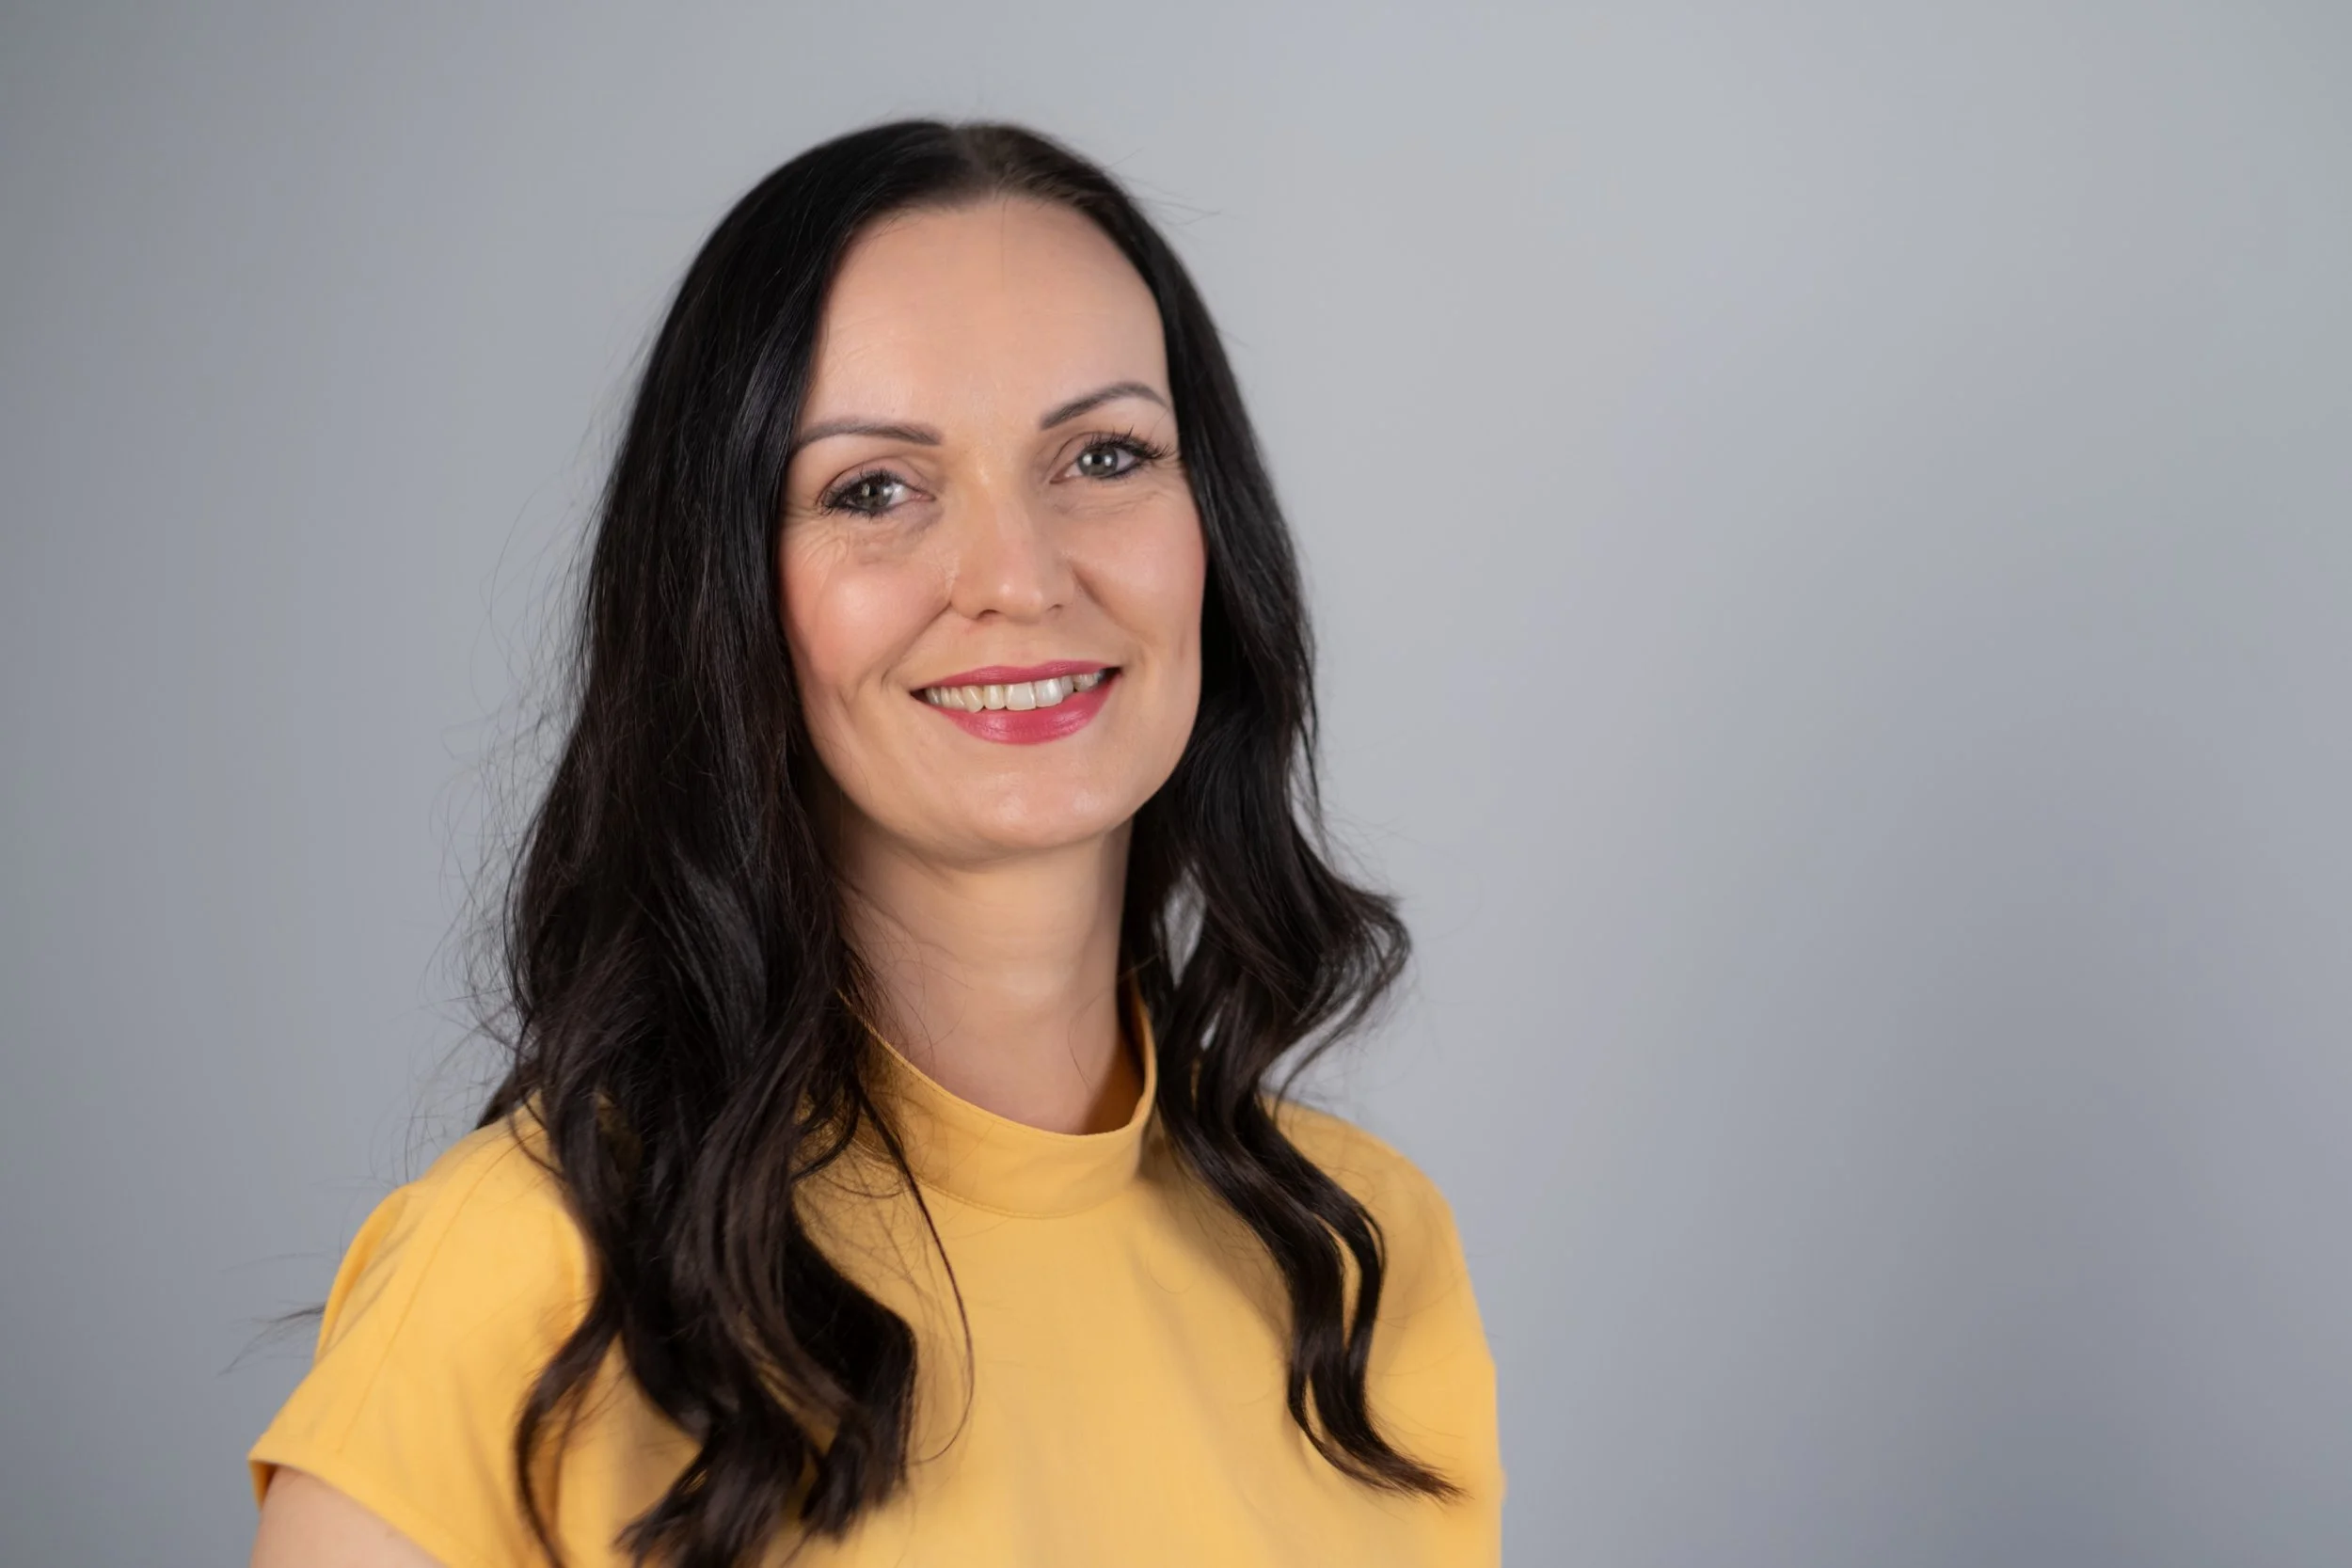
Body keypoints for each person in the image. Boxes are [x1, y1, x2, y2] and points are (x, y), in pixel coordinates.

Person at [247, 118, 1503, 1567]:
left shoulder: (1362, 1267)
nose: (1019, 578)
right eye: (875, 489)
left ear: (1213, 533)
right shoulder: (522, 1287)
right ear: (727, 592)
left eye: (1105, 454)